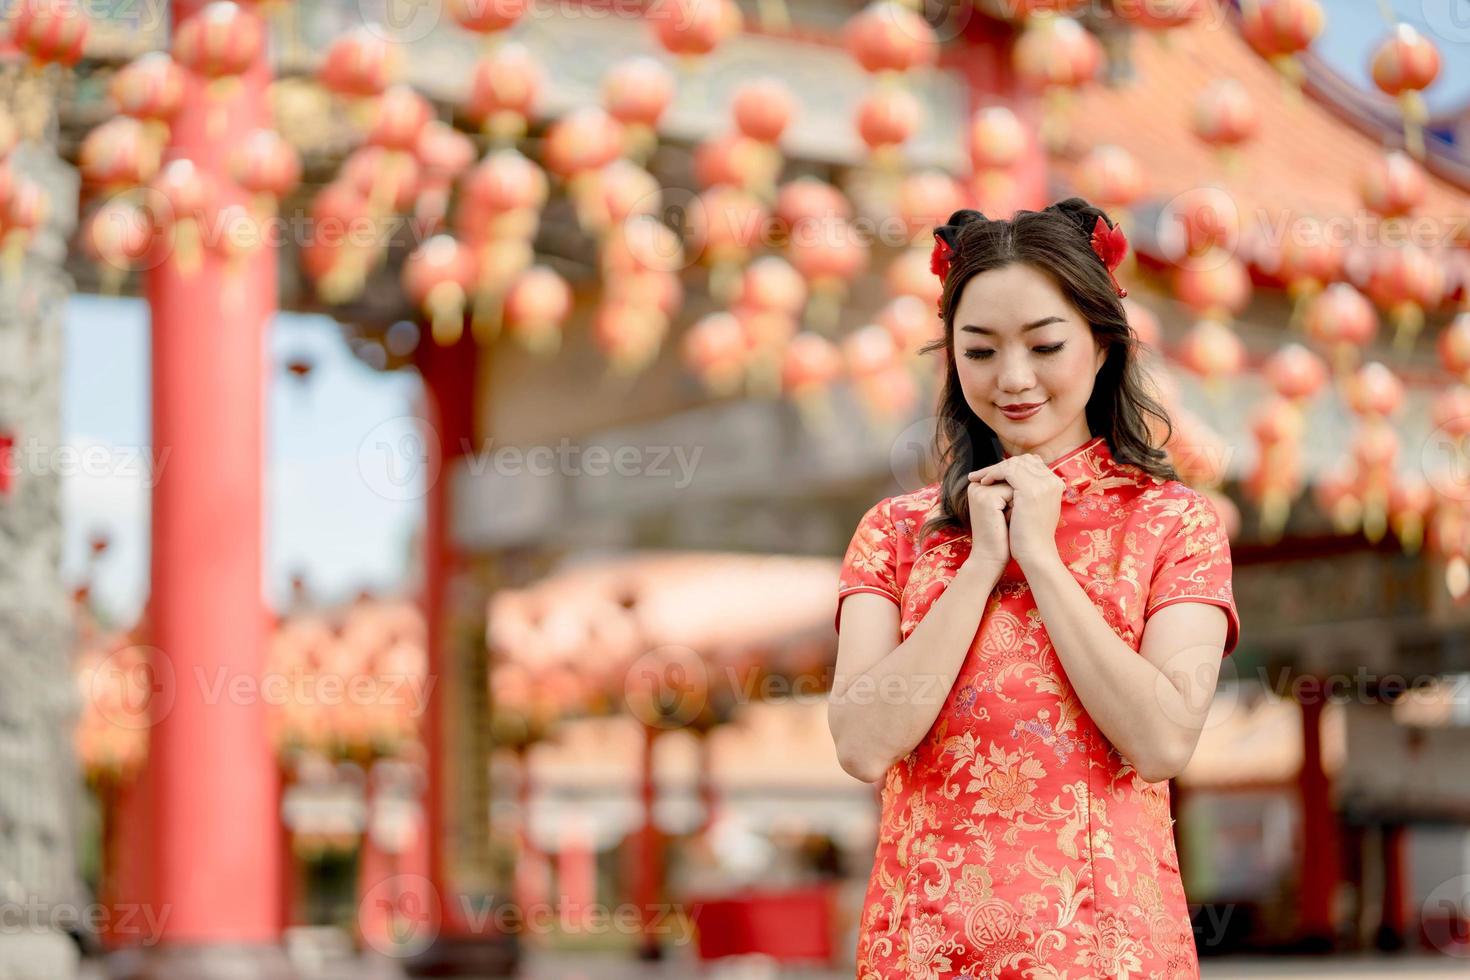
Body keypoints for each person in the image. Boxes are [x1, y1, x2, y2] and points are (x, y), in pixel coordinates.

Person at [827, 198, 1240, 979]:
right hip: (924, 951)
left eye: (1045, 345)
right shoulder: (894, 533)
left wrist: (1041, 560)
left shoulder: (1174, 524)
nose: (1012, 379)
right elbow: (861, 744)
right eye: (979, 352)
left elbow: (1160, 742)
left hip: (1108, 953)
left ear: (1102, 343)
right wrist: (980, 563)